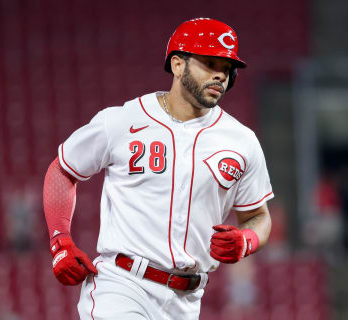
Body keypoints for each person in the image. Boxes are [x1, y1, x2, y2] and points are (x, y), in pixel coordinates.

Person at [43, 17, 274, 320]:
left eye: (227, 69)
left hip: (188, 300)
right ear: (178, 65)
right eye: (210, 63)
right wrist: (60, 239)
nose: (220, 76)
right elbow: (63, 169)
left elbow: (258, 216)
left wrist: (248, 240)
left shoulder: (242, 141)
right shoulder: (122, 120)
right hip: (123, 284)